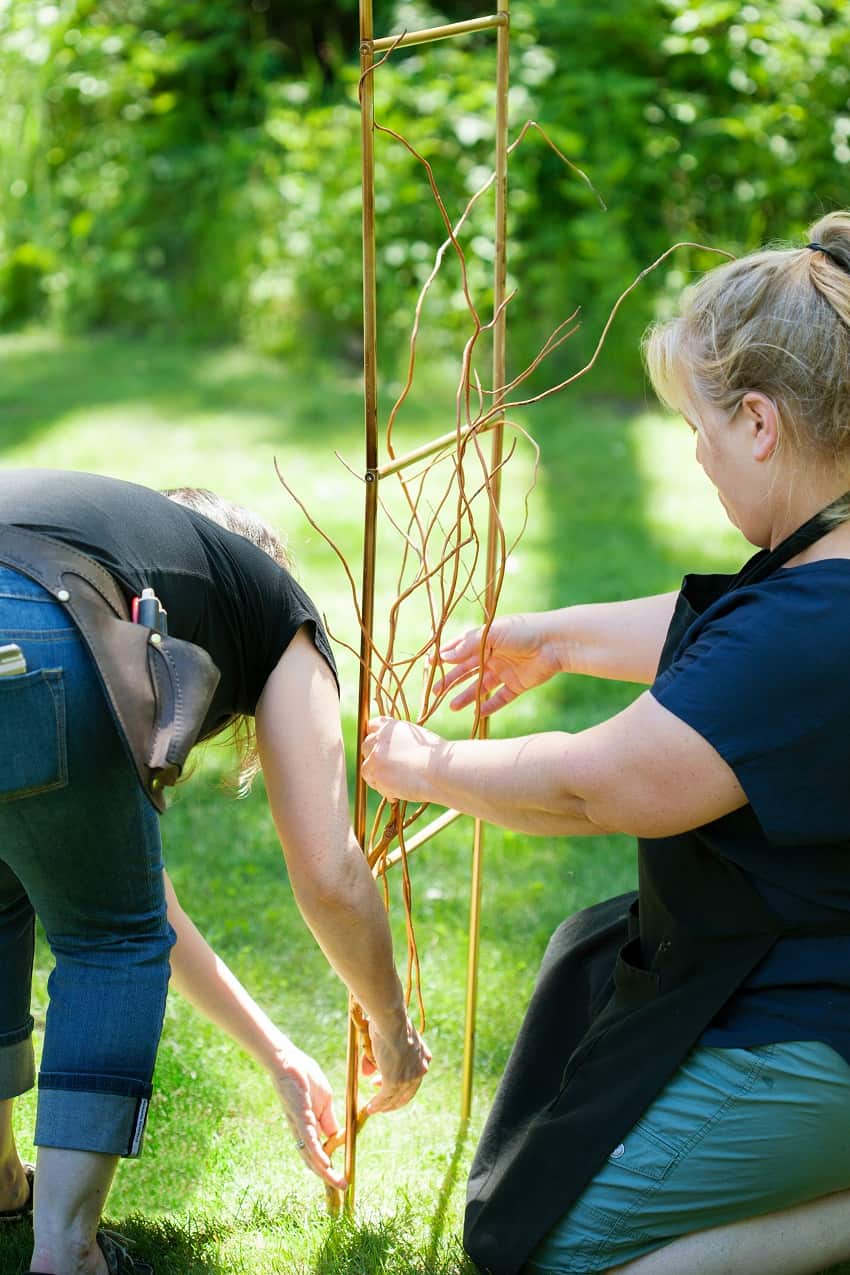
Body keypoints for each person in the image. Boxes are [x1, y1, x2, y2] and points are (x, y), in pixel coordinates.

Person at [361, 210, 850, 1275]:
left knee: (550, 1254)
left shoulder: (811, 627)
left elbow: (601, 788)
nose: (697, 455)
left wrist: (427, 766)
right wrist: (553, 637)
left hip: (819, 1033)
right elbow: (719, 641)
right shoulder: (826, 578)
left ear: (761, 424)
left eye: (701, 430)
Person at [0, 471, 430, 1275]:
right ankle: (66, 1252)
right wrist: (393, 1028)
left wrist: (278, 1057)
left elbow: (136, 890)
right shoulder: (274, 611)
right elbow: (331, 871)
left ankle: (0, 1188)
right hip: (34, 619)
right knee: (108, 942)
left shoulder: (112, 544)